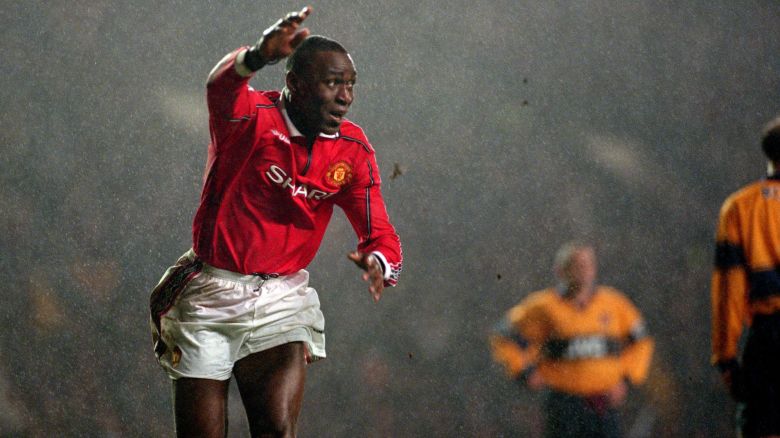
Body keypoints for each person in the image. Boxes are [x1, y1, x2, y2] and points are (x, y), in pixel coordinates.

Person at [148, 6, 402, 437]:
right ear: (294, 84)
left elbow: (380, 233)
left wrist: (381, 262)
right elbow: (220, 86)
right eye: (332, 82)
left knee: (277, 430)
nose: (345, 96)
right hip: (210, 293)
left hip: (281, 299)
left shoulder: (353, 151)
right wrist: (258, 54)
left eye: (350, 85)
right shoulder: (249, 119)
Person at [489, 243, 653, 438]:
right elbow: (503, 335)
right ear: (560, 270)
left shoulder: (614, 303)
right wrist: (524, 372)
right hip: (563, 404)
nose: (584, 270)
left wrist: (626, 379)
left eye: (588, 264)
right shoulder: (544, 306)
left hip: (602, 403)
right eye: (577, 264)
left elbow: (641, 342)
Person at [711, 117, 780, 438]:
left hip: (771, 338)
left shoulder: (740, 207)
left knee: (764, 425)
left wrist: (725, 357)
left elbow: (730, 290)